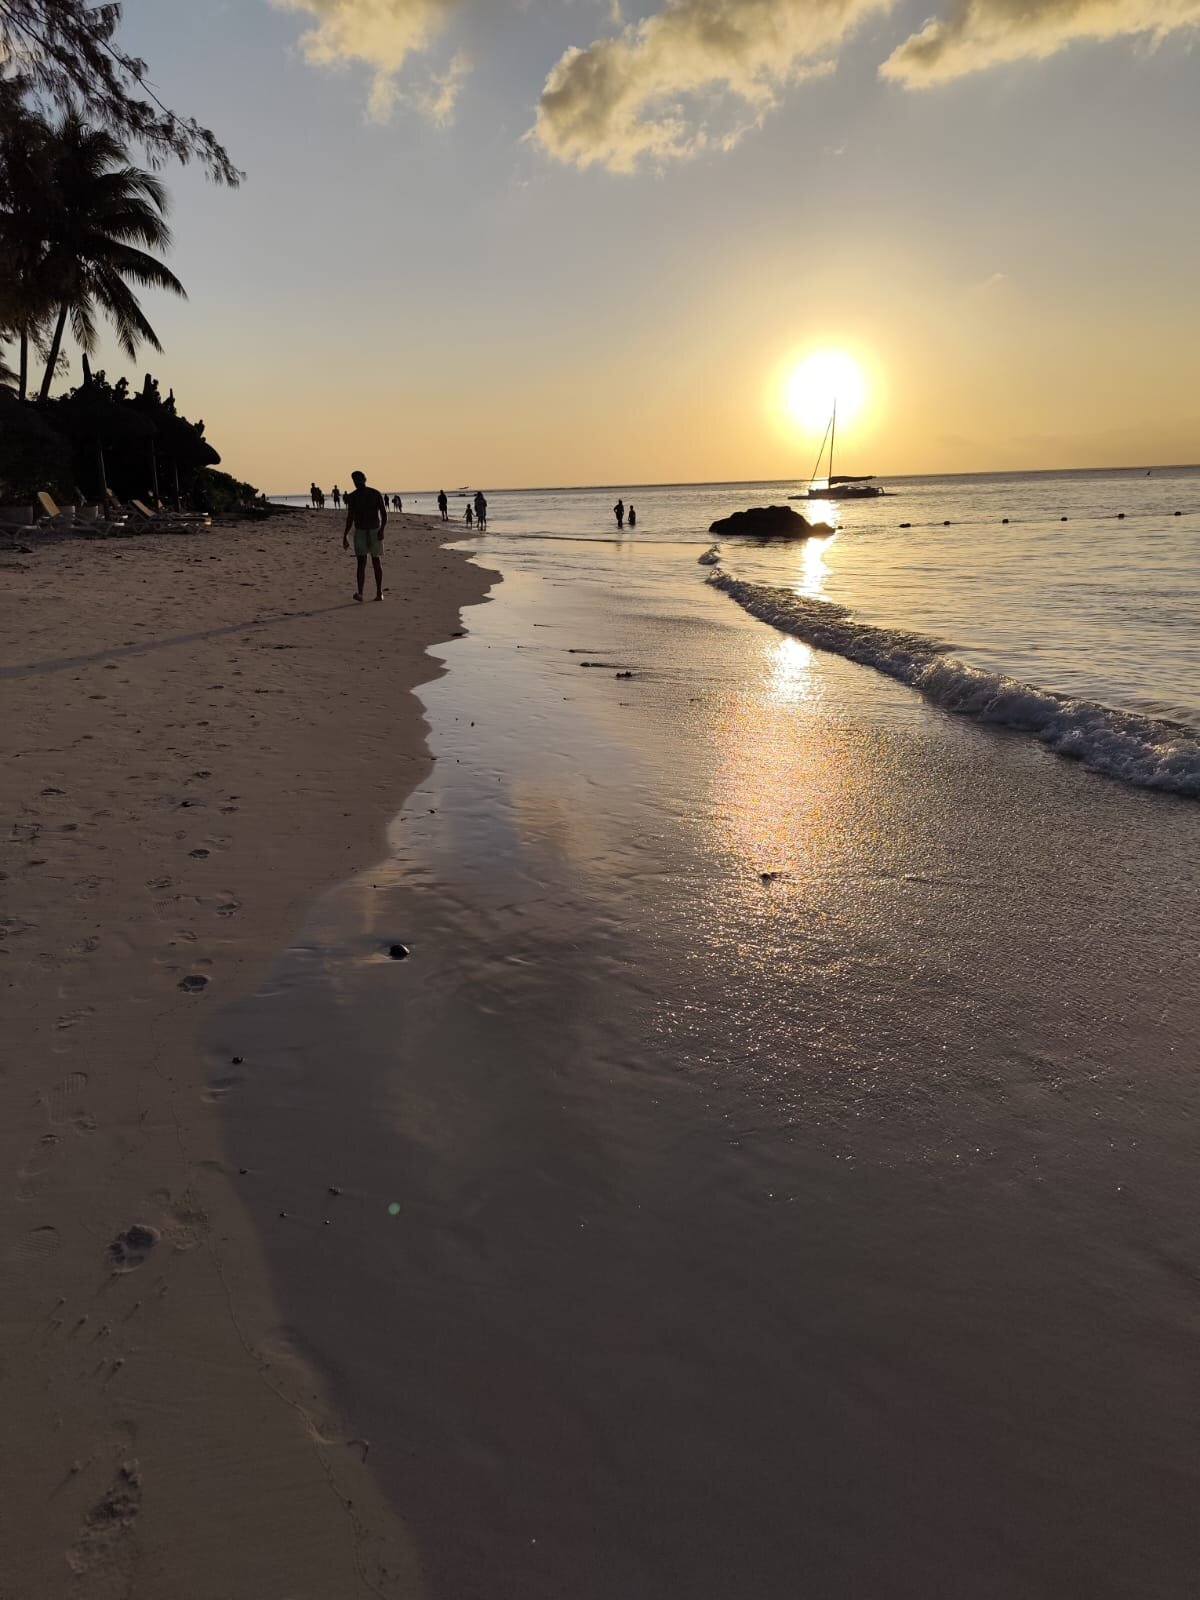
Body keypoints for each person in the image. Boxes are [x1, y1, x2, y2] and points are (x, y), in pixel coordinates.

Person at [342, 469, 387, 602]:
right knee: (361, 563)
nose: (357, 482)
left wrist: (382, 529)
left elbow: (384, 514)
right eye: (355, 481)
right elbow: (350, 517)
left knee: (376, 561)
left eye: (359, 480)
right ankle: (360, 593)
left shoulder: (375, 494)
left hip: (374, 530)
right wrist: (345, 535)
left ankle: (379, 592)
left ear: (365, 479)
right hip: (360, 531)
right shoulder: (353, 497)